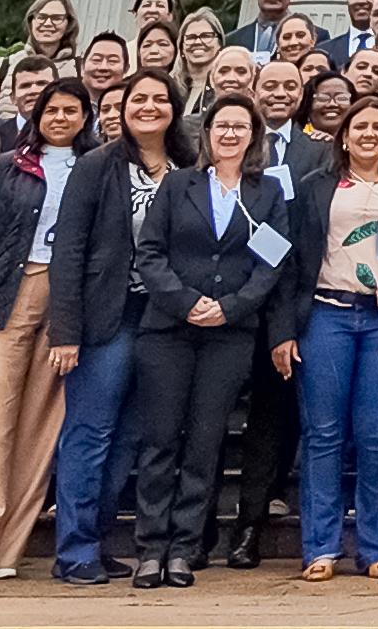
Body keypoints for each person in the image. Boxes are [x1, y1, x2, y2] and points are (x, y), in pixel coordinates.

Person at [127, 93, 287, 588]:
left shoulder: (268, 193)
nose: (231, 134)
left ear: (253, 136)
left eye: (241, 126)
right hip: (169, 330)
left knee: (204, 442)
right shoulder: (178, 185)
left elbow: (274, 260)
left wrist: (231, 307)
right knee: (160, 440)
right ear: (207, 133)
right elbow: (149, 253)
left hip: (230, 334)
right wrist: (186, 301)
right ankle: (151, 547)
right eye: (222, 125)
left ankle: (184, 547)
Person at [275, 96, 378, 582]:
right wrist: (282, 331)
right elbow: (291, 260)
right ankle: (320, 548)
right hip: (326, 316)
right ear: (343, 136)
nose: (368, 134)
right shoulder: (314, 186)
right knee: (322, 435)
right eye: (358, 126)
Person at [0, 78, 90, 586]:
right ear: (37, 115)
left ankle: (7, 548)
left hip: (70, 302)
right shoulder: (9, 166)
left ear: (86, 116)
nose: (61, 119)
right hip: (9, 293)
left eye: (72, 110)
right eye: (53, 110)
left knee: (38, 427)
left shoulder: (97, 167)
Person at [47, 71, 191, 585]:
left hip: (168, 320)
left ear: (175, 107)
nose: (149, 106)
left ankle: (100, 537)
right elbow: (68, 249)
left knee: (132, 437)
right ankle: (75, 549)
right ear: (121, 109)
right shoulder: (96, 166)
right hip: (108, 317)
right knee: (90, 433)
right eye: (138, 99)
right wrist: (64, 331)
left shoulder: (189, 166)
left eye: (159, 98)